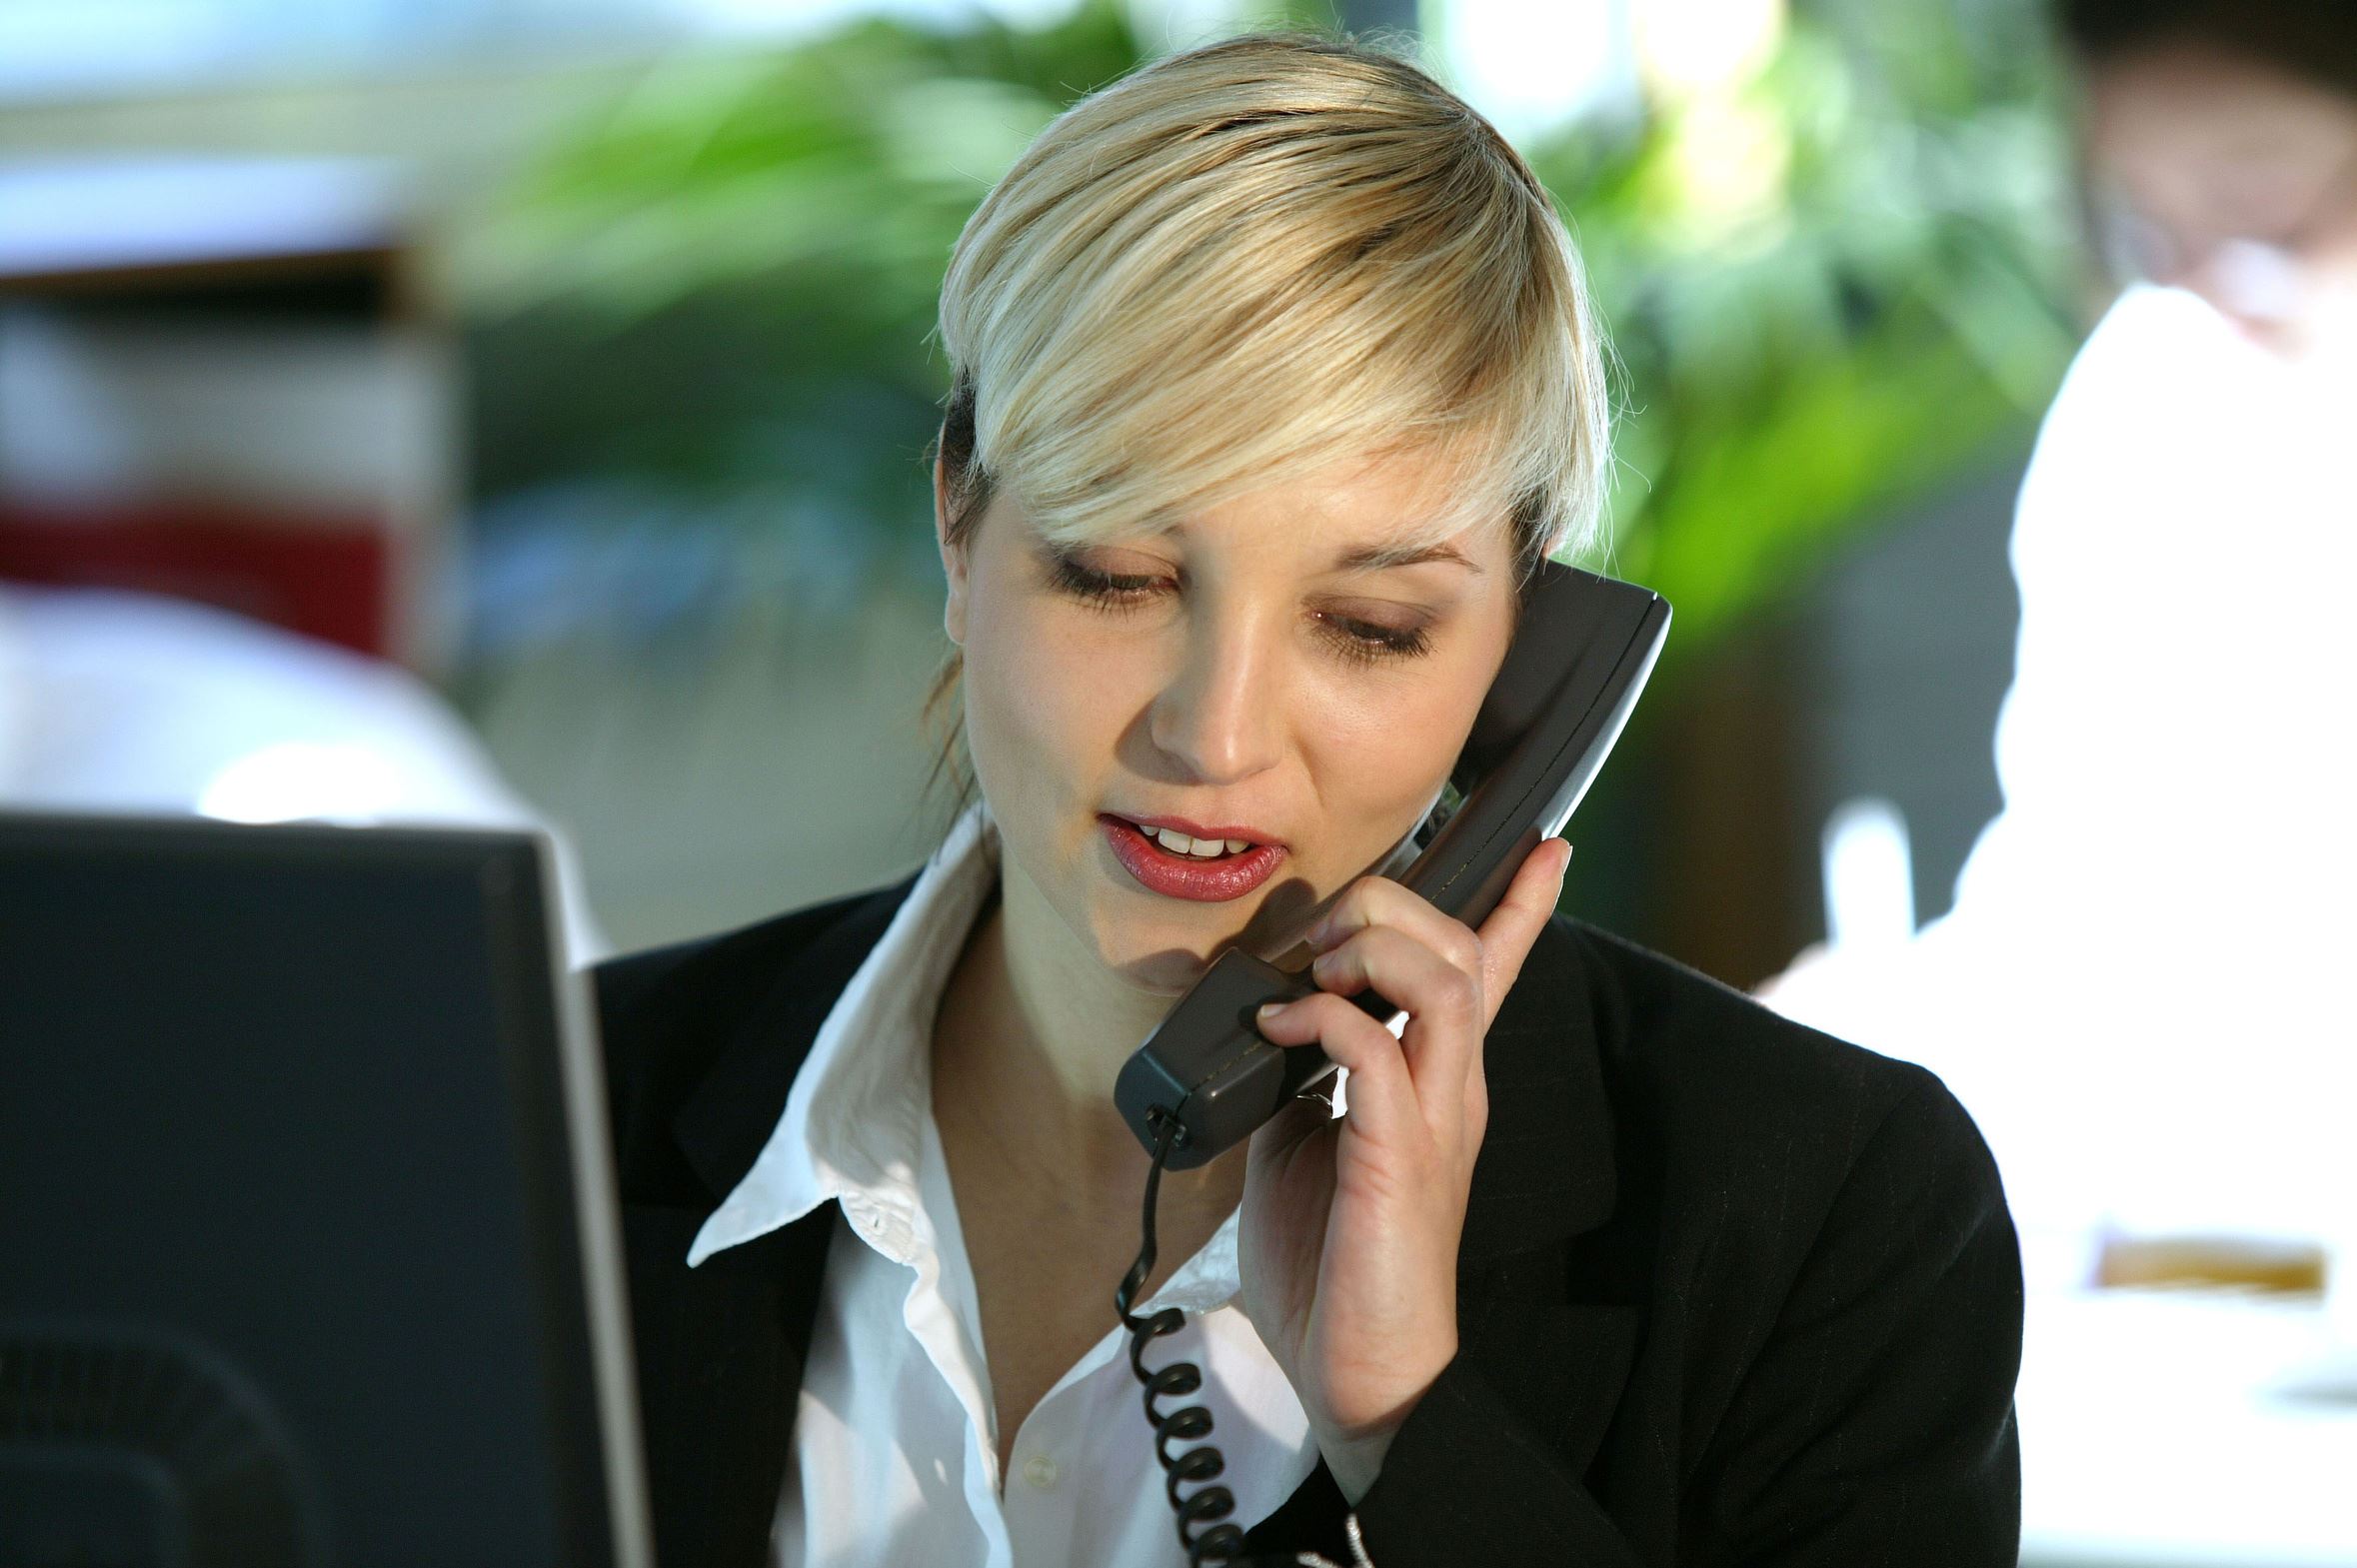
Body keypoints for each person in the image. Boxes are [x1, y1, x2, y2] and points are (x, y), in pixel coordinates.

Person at [592, 32, 2022, 1568]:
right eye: (1117, 577)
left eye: (1368, 626)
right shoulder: (549, 1112)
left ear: (1527, 655)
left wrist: (1410, 1429)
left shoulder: (1824, 1223)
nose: (1213, 736)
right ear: (959, 526)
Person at [1761, 0, 2356, 1293]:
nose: (2209, 270)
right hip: (2202, 1301)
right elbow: (2076, 899)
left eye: (2260, 191)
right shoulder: (2159, 389)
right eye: (2145, 215)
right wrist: (1858, 1032)